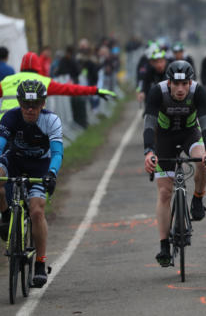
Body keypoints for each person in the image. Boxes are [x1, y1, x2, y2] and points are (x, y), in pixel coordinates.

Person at [143, 60, 206, 267]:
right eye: (176, 84)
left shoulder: (198, 91)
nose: (181, 89)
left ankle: (198, 198)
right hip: (163, 138)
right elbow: (149, 123)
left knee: (202, 160)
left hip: (190, 134)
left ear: (190, 83)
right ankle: (164, 245)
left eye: (185, 84)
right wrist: (149, 151)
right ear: (169, 83)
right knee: (165, 193)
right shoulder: (158, 92)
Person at [0, 79, 62, 288]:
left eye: (35, 105)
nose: (29, 109)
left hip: (40, 167)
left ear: (43, 104)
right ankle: (7, 216)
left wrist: (52, 173)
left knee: (37, 211)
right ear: (19, 102)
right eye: (25, 104)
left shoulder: (51, 120)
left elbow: (57, 152)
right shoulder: (10, 117)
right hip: (15, 161)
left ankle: (39, 264)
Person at [0, 52, 115, 119]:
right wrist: (95, 91)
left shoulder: (7, 81)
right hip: (32, 127)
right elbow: (71, 89)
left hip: (6, 127)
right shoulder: (44, 82)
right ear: (38, 67)